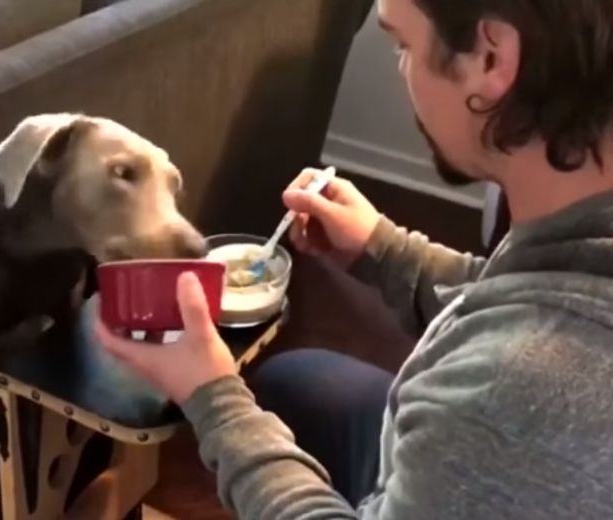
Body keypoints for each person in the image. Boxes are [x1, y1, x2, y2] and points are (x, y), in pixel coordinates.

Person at [94, 0, 613, 518]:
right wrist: (384, 248)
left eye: (403, 45)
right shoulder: (576, 232)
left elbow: (515, 364)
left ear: (492, 59)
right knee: (297, 383)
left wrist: (210, 395)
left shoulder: (499, 406)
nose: (401, 70)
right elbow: (521, 296)